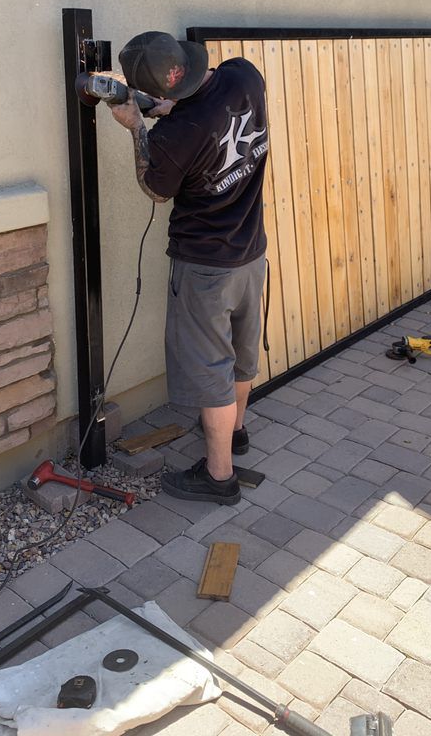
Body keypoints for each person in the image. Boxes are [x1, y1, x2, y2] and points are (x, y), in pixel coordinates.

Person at [109, 31, 269, 505]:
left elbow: (156, 187)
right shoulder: (245, 76)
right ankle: (236, 433)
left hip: (205, 268)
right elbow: (208, 119)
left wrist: (137, 126)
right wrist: (168, 110)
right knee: (242, 352)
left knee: (210, 368)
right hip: (251, 251)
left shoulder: (175, 136)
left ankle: (219, 478)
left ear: (162, 94)